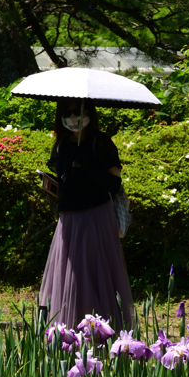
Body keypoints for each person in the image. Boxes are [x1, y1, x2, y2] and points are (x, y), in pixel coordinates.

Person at [40, 98, 133, 329]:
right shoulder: (62, 145)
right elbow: (64, 180)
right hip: (68, 220)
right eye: (67, 113)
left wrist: (88, 165)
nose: (73, 118)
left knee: (92, 272)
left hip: (95, 216)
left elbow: (114, 184)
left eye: (77, 112)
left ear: (89, 112)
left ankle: (102, 330)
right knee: (70, 275)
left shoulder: (100, 142)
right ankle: (71, 331)